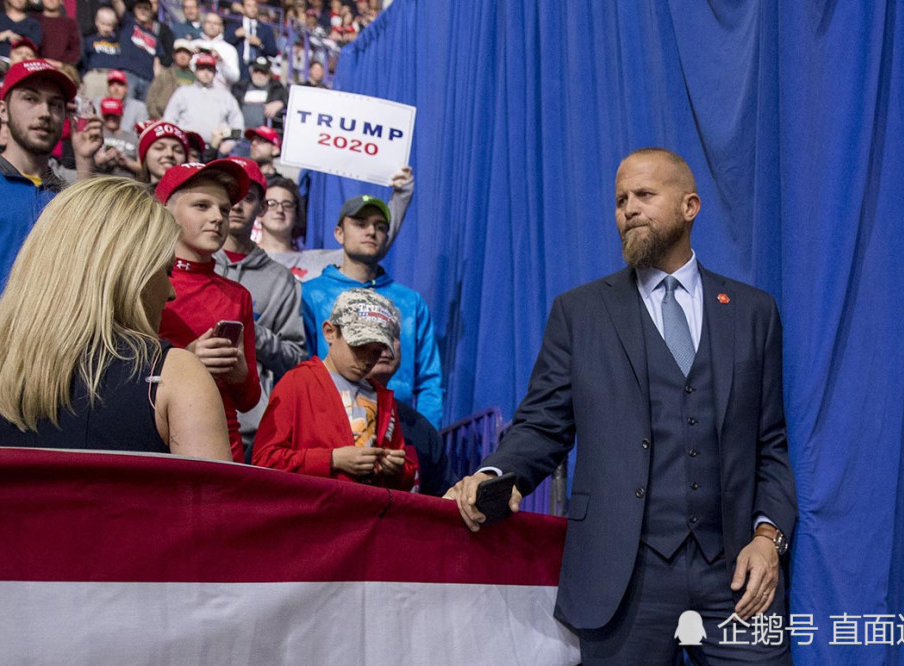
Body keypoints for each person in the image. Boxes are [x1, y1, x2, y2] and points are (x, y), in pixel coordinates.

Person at [446, 148, 798, 664]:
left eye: (645, 195)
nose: (629, 208)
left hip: (736, 578)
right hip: (623, 578)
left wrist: (769, 539)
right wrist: (499, 472)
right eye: (620, 200)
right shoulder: (580, 312)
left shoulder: (753, 313)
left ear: (690, 206)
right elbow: (543, 423)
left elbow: (770, 446)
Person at [0, 176, 231, 461]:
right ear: (125, 272)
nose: (171, 292)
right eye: (166, 272)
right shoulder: (174, 376)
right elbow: (211, 503)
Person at [300, 193, 444, 429]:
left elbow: (430, 380)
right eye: (360, 224)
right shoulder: (311, 294)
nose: (371, 232)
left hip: (400, 426)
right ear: (339, 233)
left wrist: (425, 434)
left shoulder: (410, 301)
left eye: (380, 226)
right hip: (330, 425)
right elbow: (301, 366)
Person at [253, 288, 417, 491]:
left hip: (363, 515)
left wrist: (397, 469)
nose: (367, 360)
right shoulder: (298, 382)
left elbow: (405, 479)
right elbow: (264, 460)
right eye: (359, 346)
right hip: (311, 514)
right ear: (330, 332)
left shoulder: (383, 398)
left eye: (376, 351)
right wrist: (332, 459)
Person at [155, 159, 261, 463]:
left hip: (224, 452)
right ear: (165, 211)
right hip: (157, 445)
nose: (217, 217)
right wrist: (184, 361)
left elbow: (250, 399)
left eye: (224, 210)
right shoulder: (142, 281)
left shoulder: (238, 295)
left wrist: (240, 374)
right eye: (202, 206)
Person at [0, 59, 102, 313]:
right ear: (3, 110)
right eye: (30, 99)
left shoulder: (67, 194)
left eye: (56, 105)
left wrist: (85, 160)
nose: (45, 113)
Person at [213, 155, 306, 460]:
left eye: (248, 197)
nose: (237, 205)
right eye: (229, 196)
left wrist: (252, 332)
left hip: (250, 428)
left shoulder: (283, 281)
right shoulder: (191, 264)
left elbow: (295, 359)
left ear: (262, 209)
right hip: (187, 410)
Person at [257, 167, 414, 282]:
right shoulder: (245, 259)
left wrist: (403, 194)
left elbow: (371, 244)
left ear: (297, 213)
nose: (279, 210)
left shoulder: (318, 261)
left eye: (287, 204)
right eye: (271, 203)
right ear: (259, 210)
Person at [368, 336, 454, 496]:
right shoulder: (319, 408)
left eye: (392, 335)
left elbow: (444, 498)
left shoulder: (422, 429)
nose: (385, 344)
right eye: (375, 333)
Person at [162, 53, 243, 144]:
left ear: (215, 72)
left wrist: (229, 144)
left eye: (210, 69)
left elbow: (237, 124)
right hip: (186, 146)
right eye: (202, 68)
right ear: (195, 71)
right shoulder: (182, 92)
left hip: (215, 148)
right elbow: (169, 119)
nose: (206, 72)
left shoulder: (226, 96)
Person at [115, 0, 164, 101]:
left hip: (148, 79)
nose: (143, 11)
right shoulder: (128, 22)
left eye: (146, 9)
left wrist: (157, 84)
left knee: (144, 113)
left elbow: (157, 63)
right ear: (134, 10)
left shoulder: (155, 37)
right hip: (129, 74)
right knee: (126, 108)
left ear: (151, 13)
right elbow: (116, 2)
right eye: (140, 8)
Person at [224, 0, 277, 80]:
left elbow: (273, 51)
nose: (252, 9)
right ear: (243, 8)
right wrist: (235, 35)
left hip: (258, 69)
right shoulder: (234, 26)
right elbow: (224, 43)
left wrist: (260, 44)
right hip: (238, 66)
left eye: (254, 6)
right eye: (249, 6)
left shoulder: (266, 29)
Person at [231, 55, 286, 131]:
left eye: (263, 72)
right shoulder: (240, 87)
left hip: (264, 135)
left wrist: (281, 103)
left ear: (269, 74)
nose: (259, 75)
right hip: (241, 132)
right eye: (256, 71)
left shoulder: (276, 88)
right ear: (251, 72)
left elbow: (291, 99)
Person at [145, 38, 195, 119]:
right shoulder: (165, 74)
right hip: (162, 118)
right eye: (179, 52)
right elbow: (151, 99)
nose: (182, 56)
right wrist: (158, 118)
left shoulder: (196, 79)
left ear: (191, 56)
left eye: (186, 53)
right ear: (174, 55)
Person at [80, 6, 120, 101]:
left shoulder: (118, 42)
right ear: (96, 21)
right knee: (90, 105)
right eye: (103, 24)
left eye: (109, 25)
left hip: (112, 77)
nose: (106, 28)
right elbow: (84, 60)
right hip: (95, 75)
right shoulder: (90, 40)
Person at [191, 12, 239, 90]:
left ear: (221, 27)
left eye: (215, 23)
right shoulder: (194, 44)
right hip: (196, 92)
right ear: (203, 24)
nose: (212, 26)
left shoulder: (229, 49)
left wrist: (221, 61)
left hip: (220, 93)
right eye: (209, 22)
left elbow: (235, 78)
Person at [135, 119, 189, 184]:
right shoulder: (130, 193)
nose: (170, 154)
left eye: (178, 151)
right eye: (159, 148)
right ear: (145, 156)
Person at [97, 96, 141, 178]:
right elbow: (82, 164)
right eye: (108, 115)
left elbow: (142, 169)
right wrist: (99, 161)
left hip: (126, 183)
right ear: (102, 116)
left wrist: (125, 162)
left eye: (114, 115)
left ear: (121, 115)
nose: (111, 118)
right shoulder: (96, 135)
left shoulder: (133, 137)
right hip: (100, 182)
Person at [35, 0, 81, 65]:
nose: (51, 0)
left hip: (63, 68)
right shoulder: (34, 20)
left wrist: (60, 64)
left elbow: (75, 51)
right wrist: (42, 62)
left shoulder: (70, 23)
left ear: (61, 1)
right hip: (37, 67)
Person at [104, 69, 148, 135]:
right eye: (112, 85)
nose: (116, 89)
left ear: (126, 88)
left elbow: (142, 135)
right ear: (108, 88)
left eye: (120, 85)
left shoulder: (139, 107)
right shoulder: (99, 104)